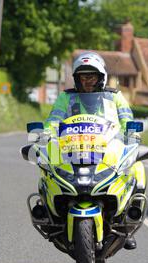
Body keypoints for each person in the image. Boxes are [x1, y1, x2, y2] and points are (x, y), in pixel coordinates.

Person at [44, 52, 139, 250]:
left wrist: (132, 138)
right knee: (46, 172)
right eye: (83, 77)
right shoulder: (66, 97)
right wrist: (44, 137)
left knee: (138, 170)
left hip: (107, 150)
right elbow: (54, 120)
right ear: (77, 79)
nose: (87, 81)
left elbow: (127, 120)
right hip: (72, 150)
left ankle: (127, 226)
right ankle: (52, 217)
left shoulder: (115, 97)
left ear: (101, 78)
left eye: (92, 76)